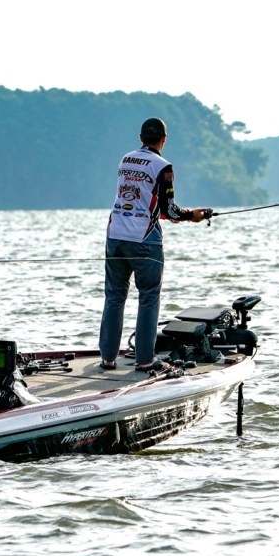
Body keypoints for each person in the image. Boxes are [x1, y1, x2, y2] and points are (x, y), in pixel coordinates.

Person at [98, 118, 212, 373]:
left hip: (115, 235)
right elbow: (169, 210)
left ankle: (107, 358)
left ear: (140, 136)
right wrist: (193, 216)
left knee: (114, 297)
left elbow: (147, 203)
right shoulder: (163, 166)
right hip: (145, 239)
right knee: (148, 298)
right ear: (164, 139)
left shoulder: (125, 160)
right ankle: (145, 359)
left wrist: (176, 214)